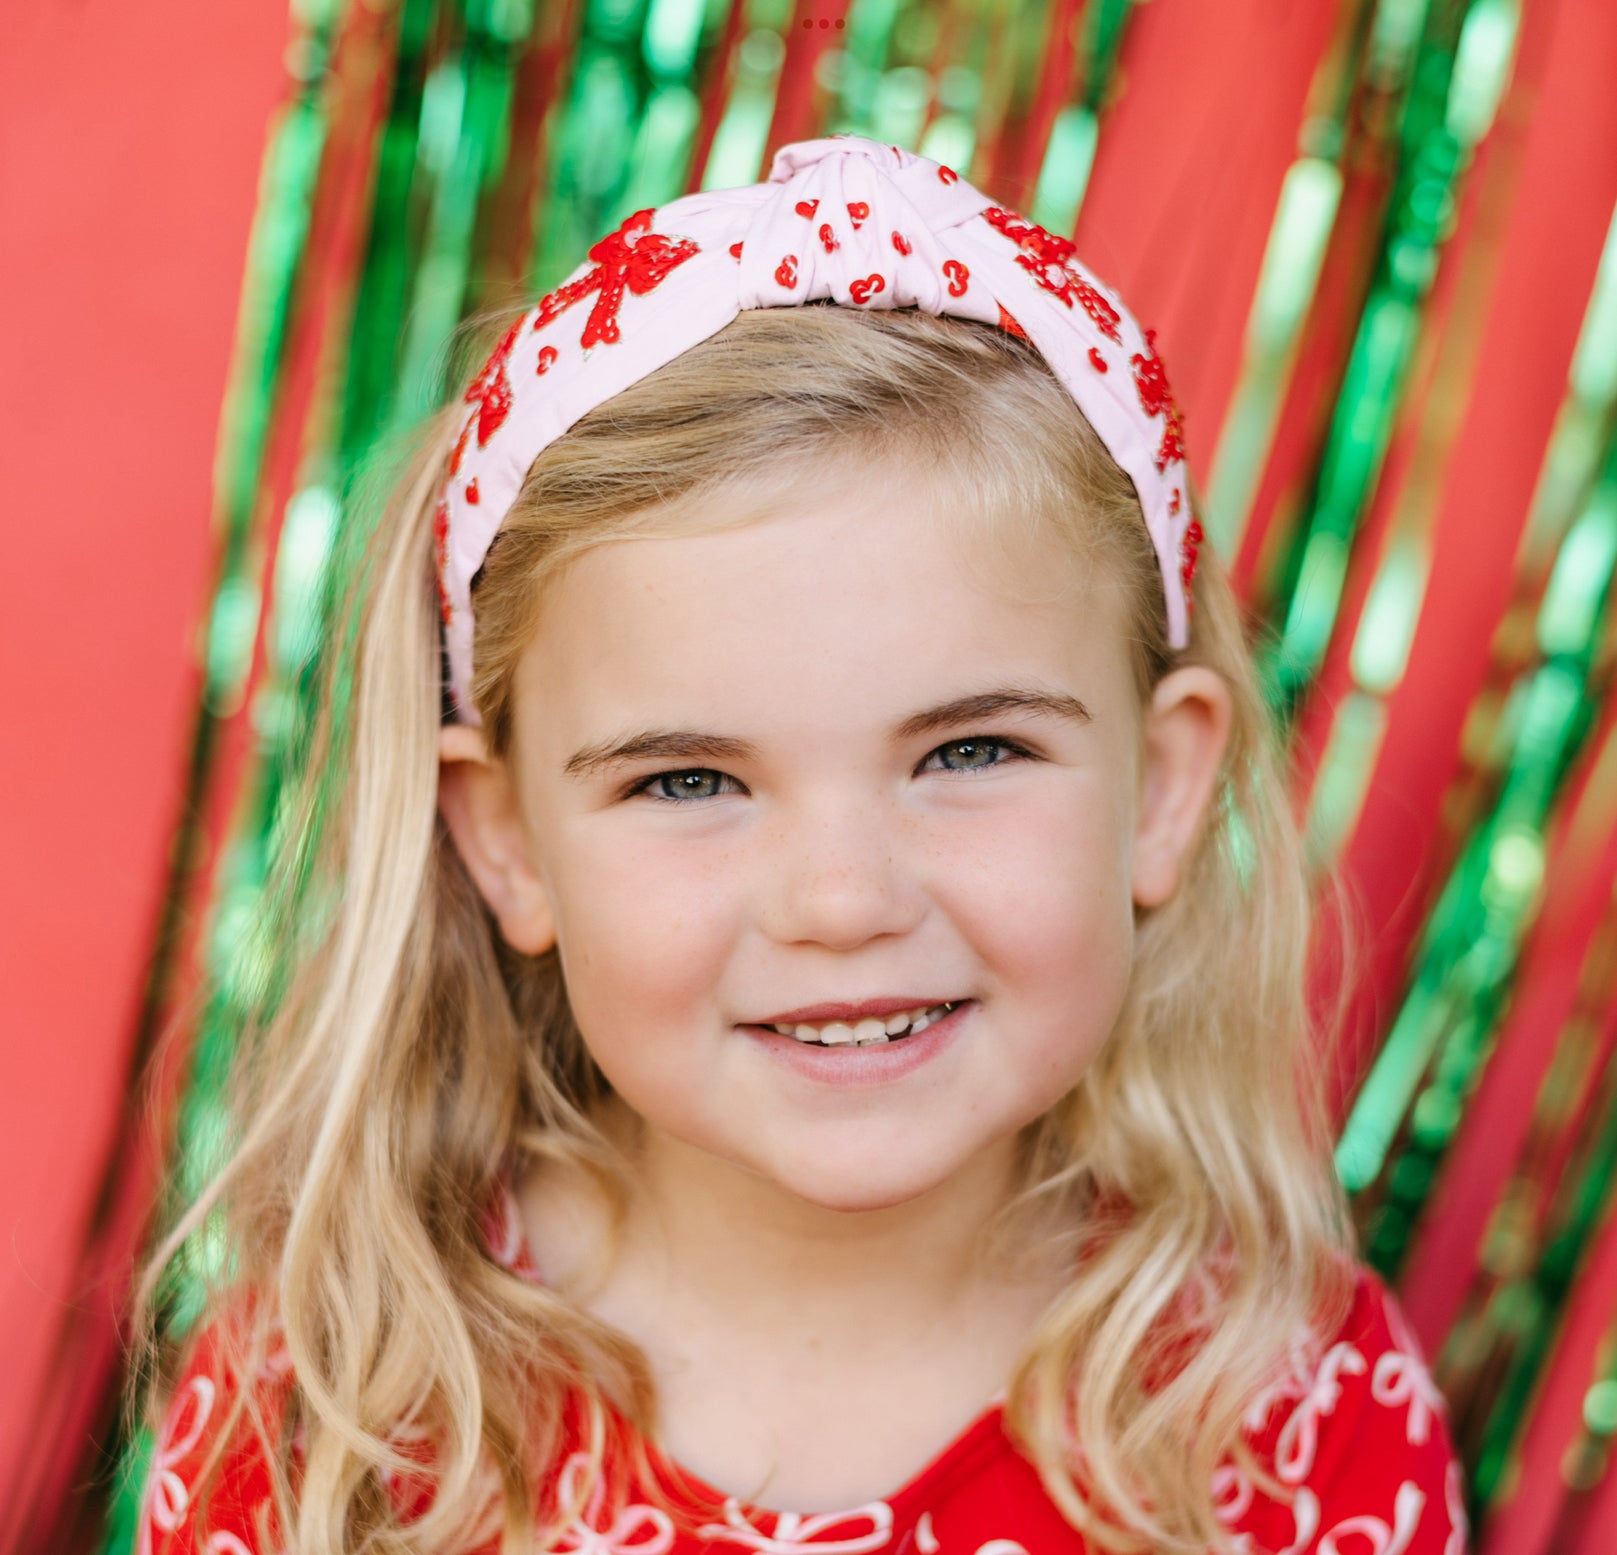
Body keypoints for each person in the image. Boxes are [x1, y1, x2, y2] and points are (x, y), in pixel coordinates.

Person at [134, 135, 1467, 1555]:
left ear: (1161, 789)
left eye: (969, 753)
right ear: (507, 842)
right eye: (688, 780)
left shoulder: (1293, 1413)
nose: (841, 901)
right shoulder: (336, 1412)